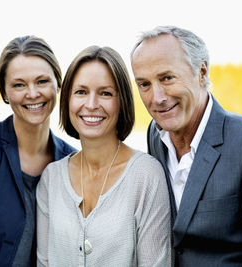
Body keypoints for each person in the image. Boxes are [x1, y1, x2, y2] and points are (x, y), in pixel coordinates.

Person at [130, 25, 242, 266]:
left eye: (167, 78)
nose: (157, 98)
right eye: (144, 84)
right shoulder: (155, 136)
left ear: (202, 71)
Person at [37, 46, 171, 266]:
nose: (91, 105)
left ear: (122, 102)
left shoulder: (146, 175)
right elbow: (43, 262)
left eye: (105, 93)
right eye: (81, 92)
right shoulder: (51, 179)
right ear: (67, 100)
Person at [0, 35, 75, 267]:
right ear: (5, 93)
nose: (32, 93)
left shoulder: (72, 161)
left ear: (58, 84)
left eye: (42, 81)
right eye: (19, 84)